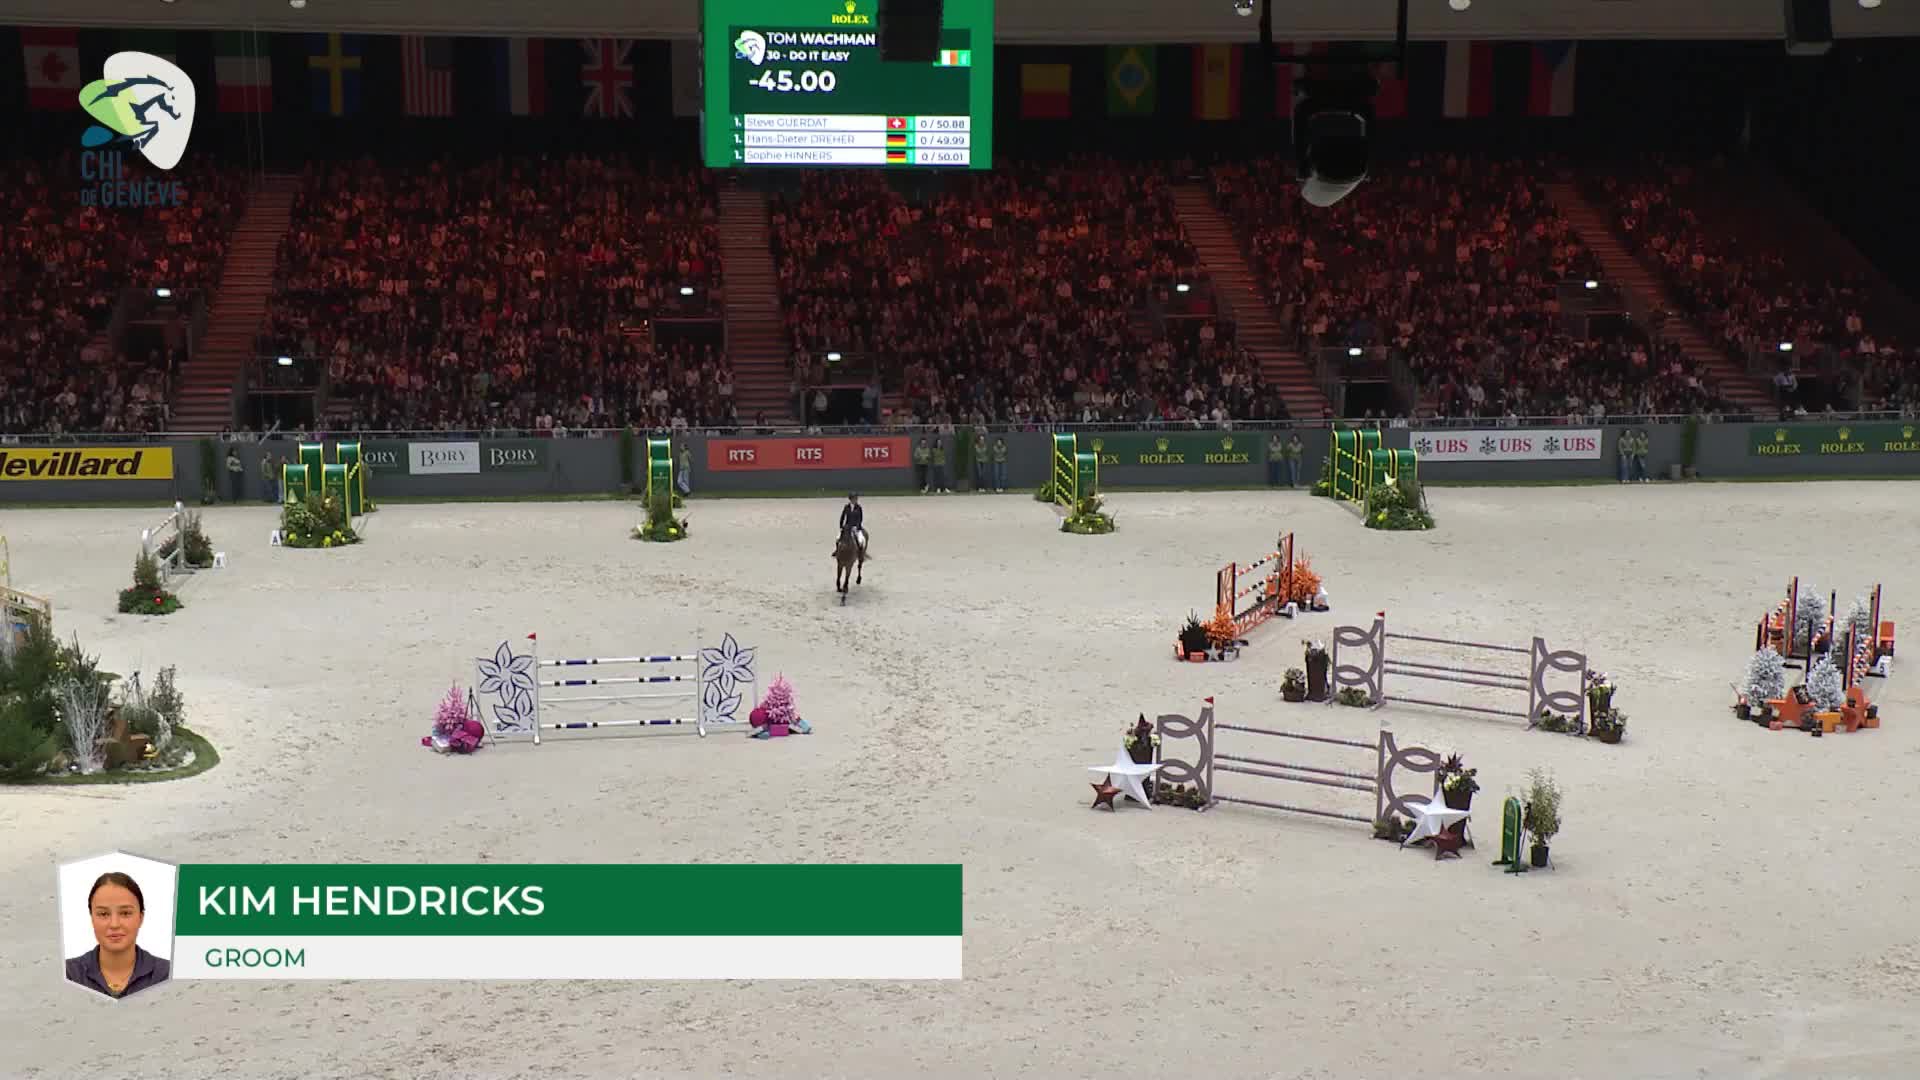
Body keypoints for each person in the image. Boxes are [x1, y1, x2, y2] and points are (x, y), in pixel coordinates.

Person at [66, 871, 170, 1000]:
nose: (114, 924)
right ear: (92, 918)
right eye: (103, 914)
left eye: (125, 913)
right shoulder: (68, 974)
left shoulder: (167, 975)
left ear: (141, 917)